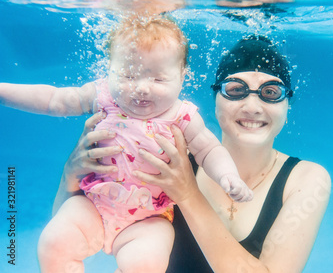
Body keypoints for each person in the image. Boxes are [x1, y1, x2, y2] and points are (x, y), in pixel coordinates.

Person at [55, 35, 331, 272]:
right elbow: (76, 236)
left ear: (287, 105)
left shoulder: (306, 180)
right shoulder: (167, 157)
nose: (253, 106)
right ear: (215, 99)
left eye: (271, 92)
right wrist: (71, 175)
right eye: (235, 90)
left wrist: (187, 194)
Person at [0, 17, 252, 273]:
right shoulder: (103, 96)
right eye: (128, 75)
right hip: (94, 205)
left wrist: (228, 176)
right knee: (54, 243)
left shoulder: (183, 116)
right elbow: (53, 100)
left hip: (149, 220)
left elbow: (210, 150)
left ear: (182, 76)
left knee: (145, 265)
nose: (142, 88)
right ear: (109, 68)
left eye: (158, 80)